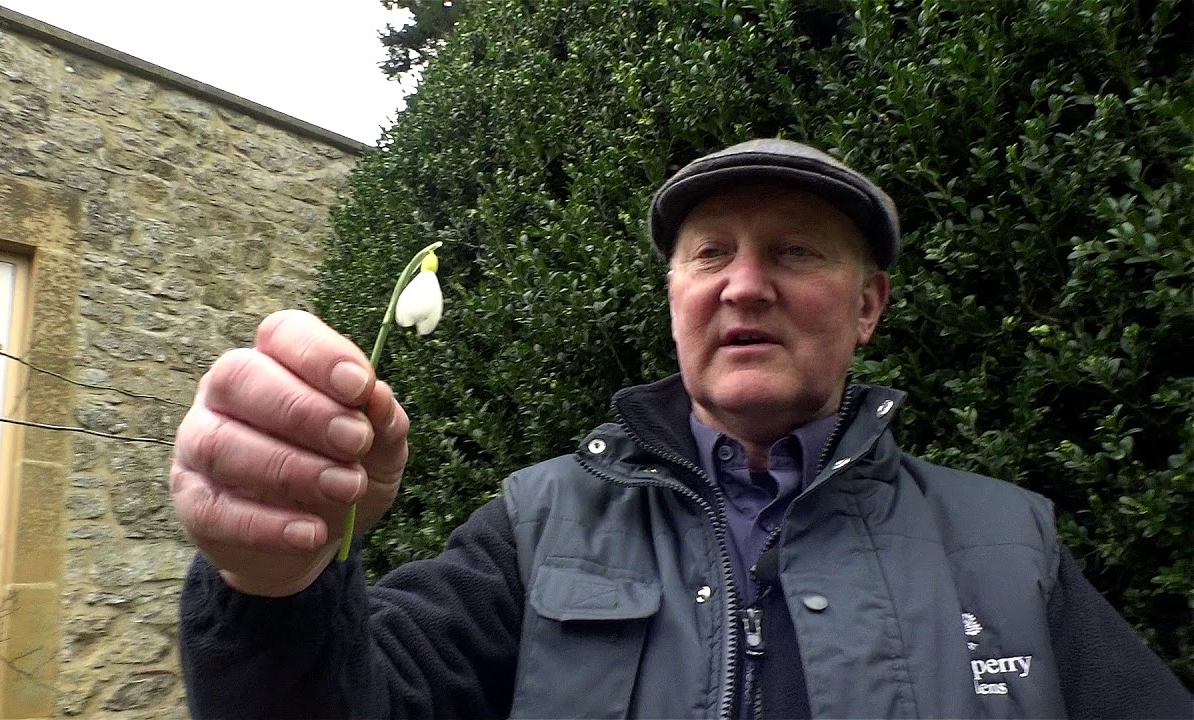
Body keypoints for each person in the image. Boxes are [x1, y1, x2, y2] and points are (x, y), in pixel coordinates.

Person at [173, 139, 1190, 718]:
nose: (744, 284)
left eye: (793, 252)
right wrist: (272, 591)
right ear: (673, 299)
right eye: (709, 255)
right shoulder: (534, 526)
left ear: (868, 306)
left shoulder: (1011, 549)